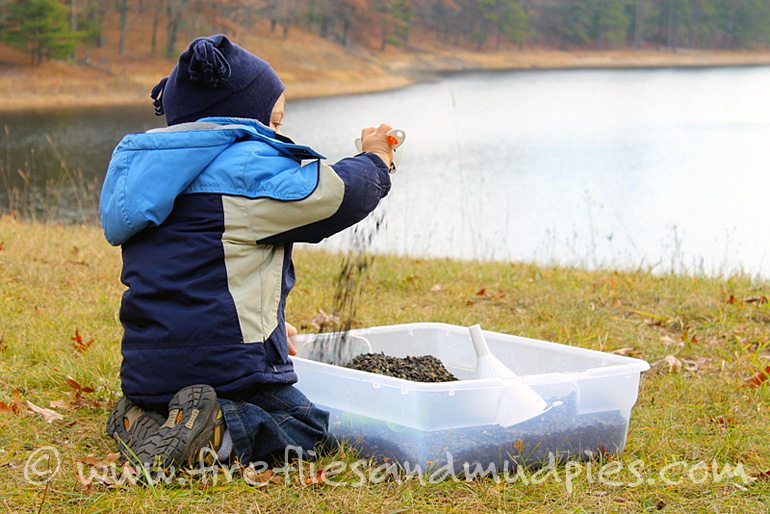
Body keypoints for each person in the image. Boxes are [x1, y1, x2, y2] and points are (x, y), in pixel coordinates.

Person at [99, 34, 394, 470]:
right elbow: (337, 196)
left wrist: (270, 327)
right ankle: (217, 429)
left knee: (176, 399)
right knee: (305, 426)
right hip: (223, 371)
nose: (278, 134)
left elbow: (199, 276)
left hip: (147, 371)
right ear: (242, 118)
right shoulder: (244, 166)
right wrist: (375, 159)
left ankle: (144, 415)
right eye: (274, 122)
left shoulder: (147, 176)